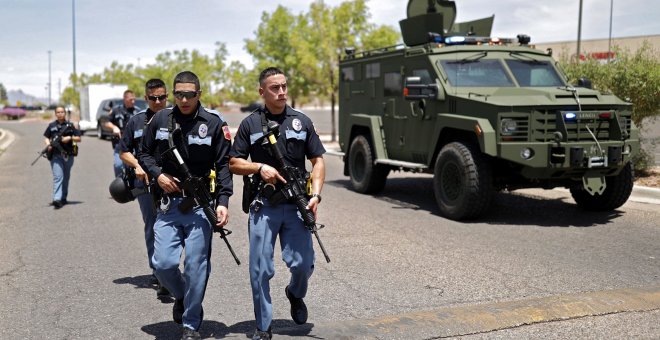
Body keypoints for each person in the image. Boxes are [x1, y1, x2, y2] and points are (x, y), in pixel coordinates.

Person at [229, 67, 326, 340]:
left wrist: (316, 195)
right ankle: (263, 325)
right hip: (265, 204)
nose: (281, 91)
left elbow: (318, 160)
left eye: (284, 86)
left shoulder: (301, 121)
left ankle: (295, 293)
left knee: (303, 264)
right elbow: (234, 163)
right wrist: (259, 167)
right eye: (274, 87)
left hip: (297, 205)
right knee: (260, 268)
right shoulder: (250, 124)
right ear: (262, 91)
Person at [138, 71, 233, 340]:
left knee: (195, 265)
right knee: (163, 264)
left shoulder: (213, 123)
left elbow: (224, 165)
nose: (183, 99)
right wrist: (158, 174)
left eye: (189, 94)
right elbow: (143, 153)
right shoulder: (160, 119)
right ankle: (181, 296)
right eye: (178, 94)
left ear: (199, 94)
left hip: (200, 207)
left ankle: (191, 322)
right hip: (168, 206)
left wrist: (223, 202)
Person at [119, 79, 169, 295]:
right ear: (146, 98)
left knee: (172, 227)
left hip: (171, 183)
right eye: (153, 98)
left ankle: (169, 267)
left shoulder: (176, 118)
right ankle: (158, 271)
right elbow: (123, 151)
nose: (158, 102)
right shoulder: (136, 121)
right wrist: (137, 165)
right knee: (153, 225)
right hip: (146, 184)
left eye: (162, 97)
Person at [43, 107, 82, 209]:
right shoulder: (51, 126)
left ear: (65, 113)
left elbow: (79, 138)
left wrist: (70, 138)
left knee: (66, 177)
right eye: (58, 112)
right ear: (55, 114)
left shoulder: (70, 125)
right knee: (58, 177)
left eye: (62, 112)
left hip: (68, 155)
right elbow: (46, 137)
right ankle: (57, 199)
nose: (60, 114)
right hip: (56, 155)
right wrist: (48, 145)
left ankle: (63, 198)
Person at [105, 89, 138, 177]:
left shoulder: (137, 111)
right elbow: (107, 122)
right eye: (131, 99)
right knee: (118, 165)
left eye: (134, 99)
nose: (133, 101)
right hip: (119, 143)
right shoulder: (116, 110)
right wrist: (114, 127)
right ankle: (119, 186)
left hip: (134, 144)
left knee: (132, 166)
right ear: (125, 98)